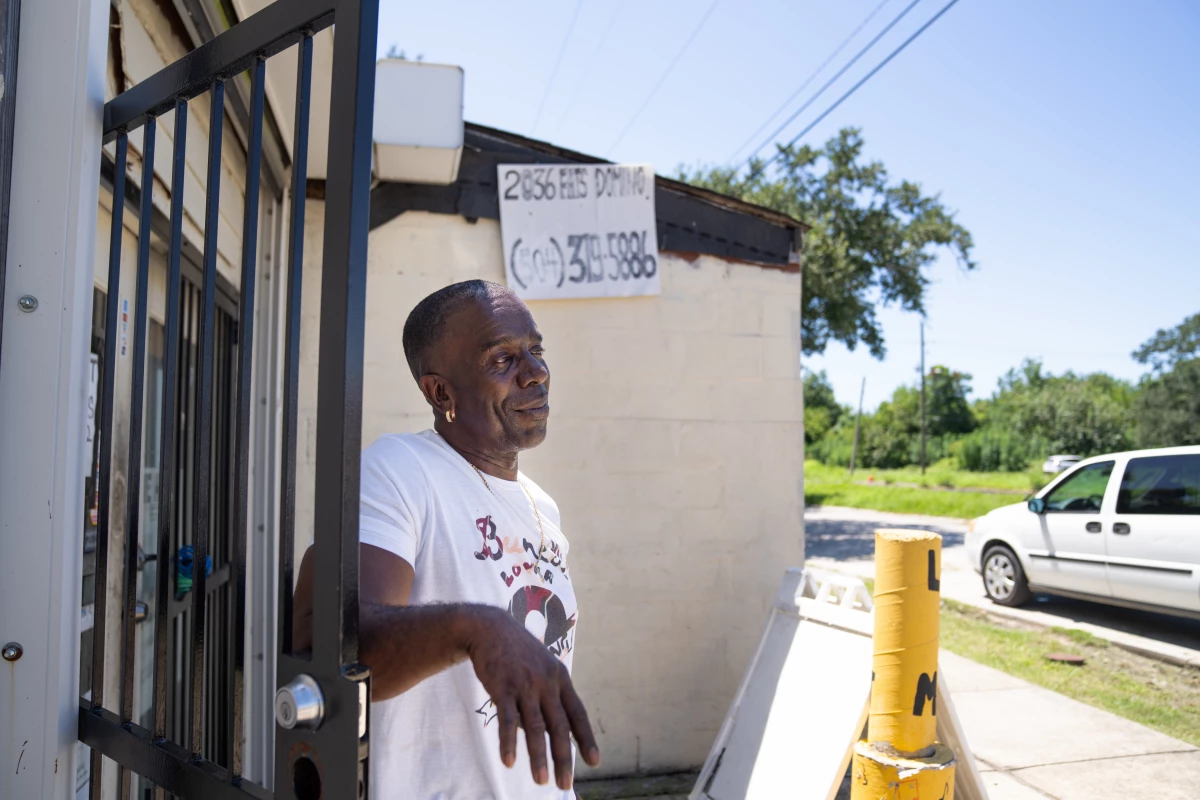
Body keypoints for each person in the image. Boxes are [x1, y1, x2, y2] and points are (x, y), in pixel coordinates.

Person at [293, 280, 599, 799]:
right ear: (441, 392)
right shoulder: (401, 471)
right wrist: (475, 627)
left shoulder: (540, 504)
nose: (536, 372)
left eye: (536, 350)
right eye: (503, 359)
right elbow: (333, 650)